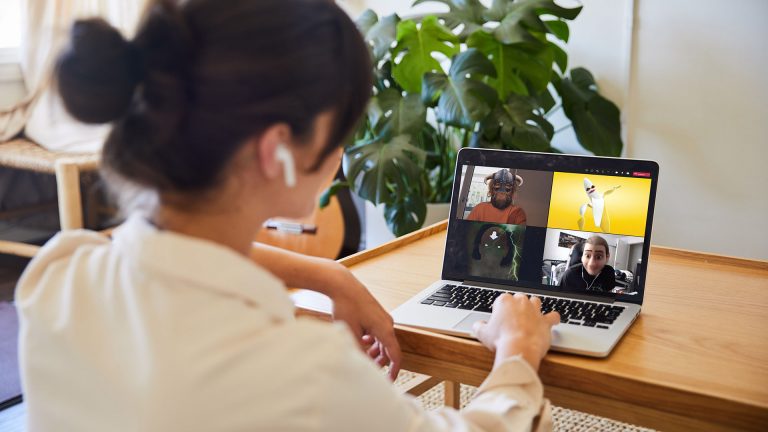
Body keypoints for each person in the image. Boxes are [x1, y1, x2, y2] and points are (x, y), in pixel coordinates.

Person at [16, 1, 560, 430]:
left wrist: (328, 273)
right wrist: (517, 351)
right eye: (340, 131)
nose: (344, 153)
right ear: (277, 150)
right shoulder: (301, 374)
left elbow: (166, 252)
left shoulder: (56, 277)